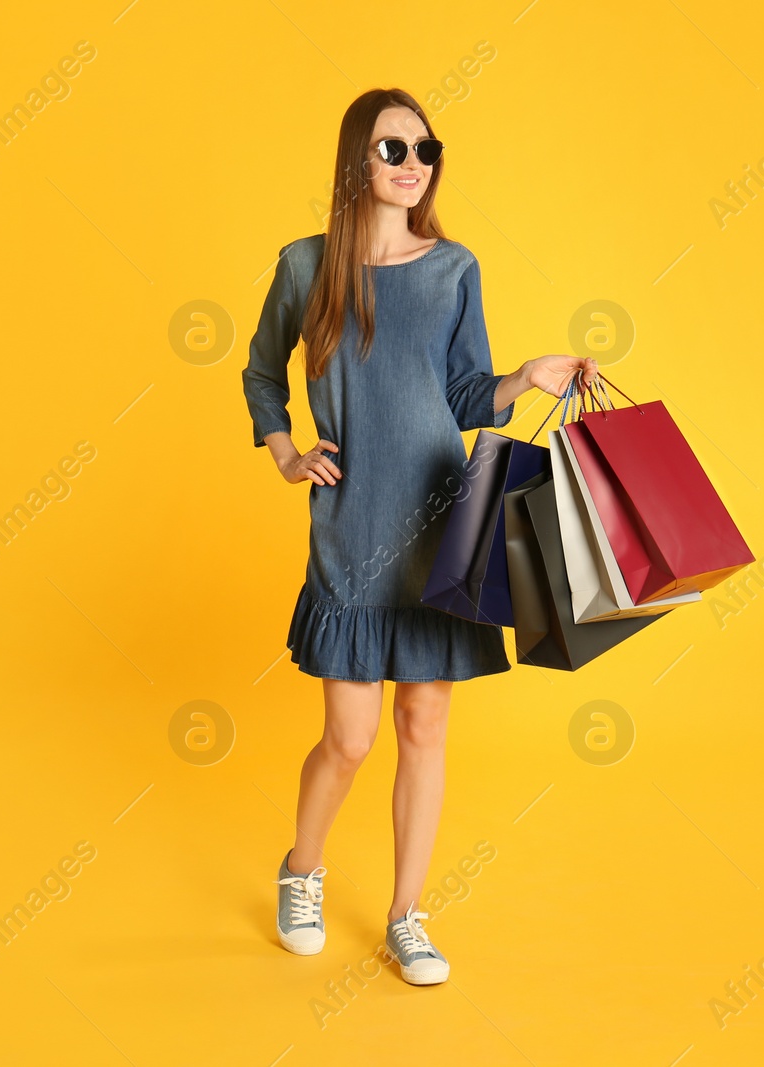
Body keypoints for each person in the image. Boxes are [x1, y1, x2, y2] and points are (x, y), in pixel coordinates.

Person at [242, 87, 596, 985]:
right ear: (355, 159)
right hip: (354, 528)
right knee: (351, 737)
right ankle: (301, 870)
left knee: (423, 721)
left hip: (443, 521)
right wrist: (285, 453)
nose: (413, 165)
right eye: (393, 148)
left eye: (425, 149)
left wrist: (527, 373)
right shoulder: (305, 266)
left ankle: (407, 914)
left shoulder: (454, 268)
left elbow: (468, 395)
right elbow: (259, 371)